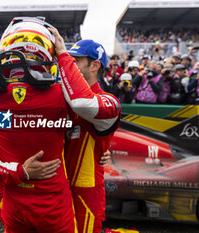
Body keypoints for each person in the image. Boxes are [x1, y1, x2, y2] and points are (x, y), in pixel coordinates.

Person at [0, 17, 77, 233]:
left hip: (15, 205)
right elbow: (89, 113)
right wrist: (63, 53)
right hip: (54, 206)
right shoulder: (63, 95)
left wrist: (21, 171)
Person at [50, 29, 121, 233]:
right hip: (56, 187)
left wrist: (62, 53)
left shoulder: (109, 102)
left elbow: (83, 103)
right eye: (68, 59)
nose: (68, 64)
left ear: (95, 65)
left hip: (85, 193)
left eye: (76, 60)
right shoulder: (62, 96)